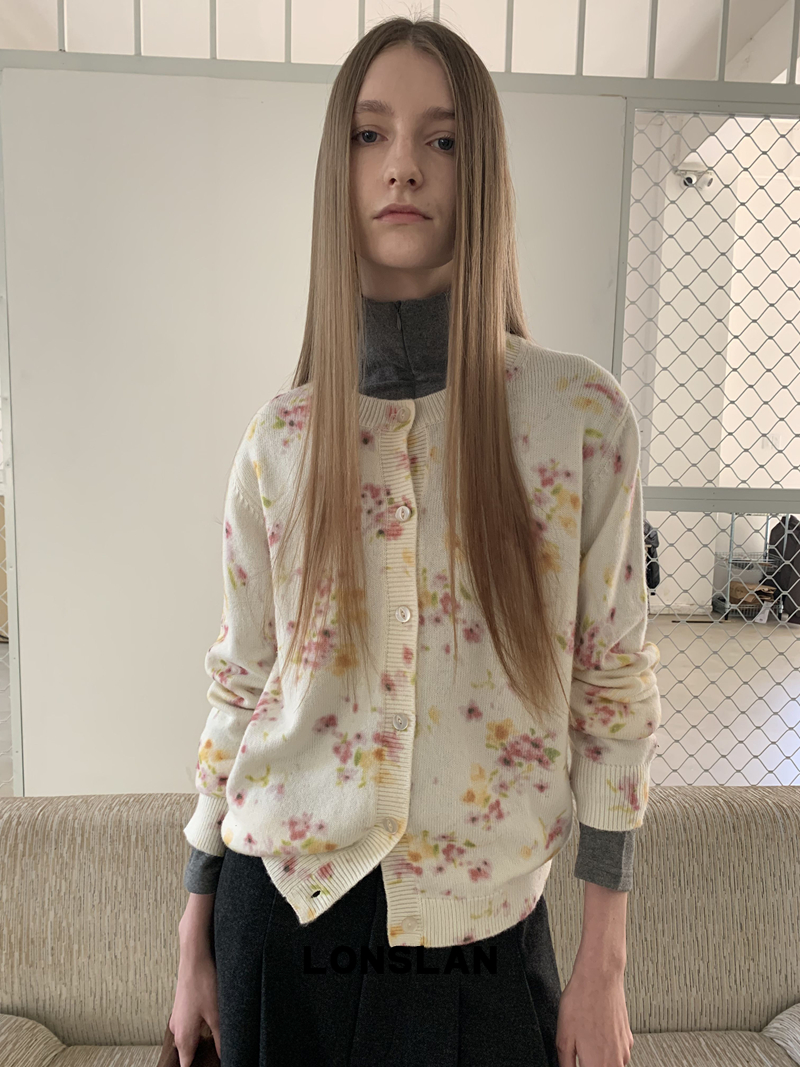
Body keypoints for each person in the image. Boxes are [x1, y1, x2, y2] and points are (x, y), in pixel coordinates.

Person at [169, 15, 660, 1067]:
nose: (403, 165)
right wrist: (192, 930)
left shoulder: (577, 420)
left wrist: (605, 960)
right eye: (370, 134)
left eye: (442, 139)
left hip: (482, 935)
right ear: (337, 168)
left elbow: (612, 686)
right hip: (279, 917)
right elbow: (243, 679)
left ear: (482, 174)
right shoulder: (281, 437)